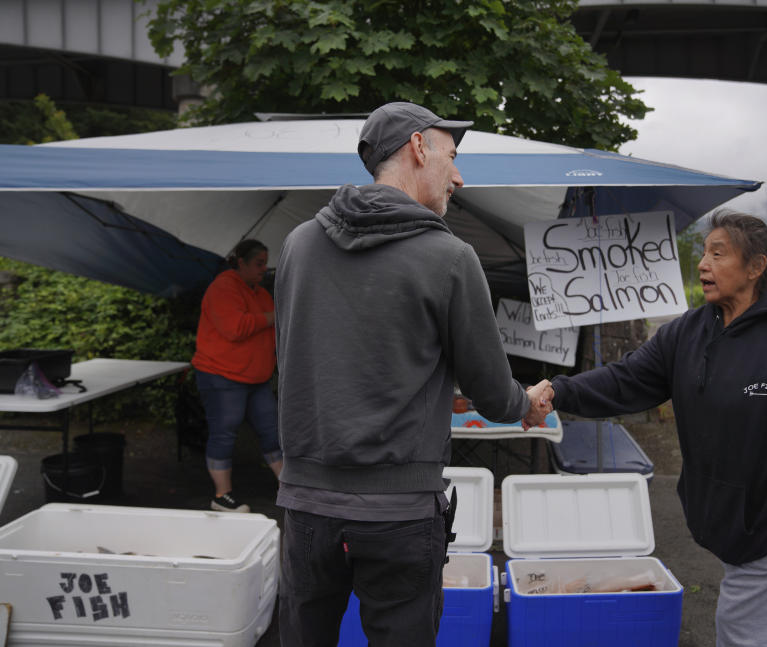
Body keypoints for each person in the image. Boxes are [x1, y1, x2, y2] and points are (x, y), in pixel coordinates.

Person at [273, 101, 552, 647]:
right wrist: (528, 401)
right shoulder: (449, 256)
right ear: (419, 148)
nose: (459, 175)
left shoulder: (298, 244)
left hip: (305, 506)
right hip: (399, 515)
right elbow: (494, 394)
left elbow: (299, 359)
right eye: (451, 155)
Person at [541, 211, 767, 647]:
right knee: (765, 628)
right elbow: (626, 380)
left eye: (717, 254)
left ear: (756, 267)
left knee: (740, 633)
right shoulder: (690, 330)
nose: (703, 263)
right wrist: (557, 393)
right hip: (725, 519)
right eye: (704, 253)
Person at [192, 239, 283, 513]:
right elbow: (236, 327)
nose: (264, 269)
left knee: (273, 430)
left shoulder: (260, 293)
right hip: (223, 376)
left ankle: (289, 487)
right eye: (258, 263)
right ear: (240, 262)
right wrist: (273, 317)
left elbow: (273, 330)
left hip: (256, 379)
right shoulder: (223, 287)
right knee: (224, 433)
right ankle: (222, 496)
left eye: (265, 264)